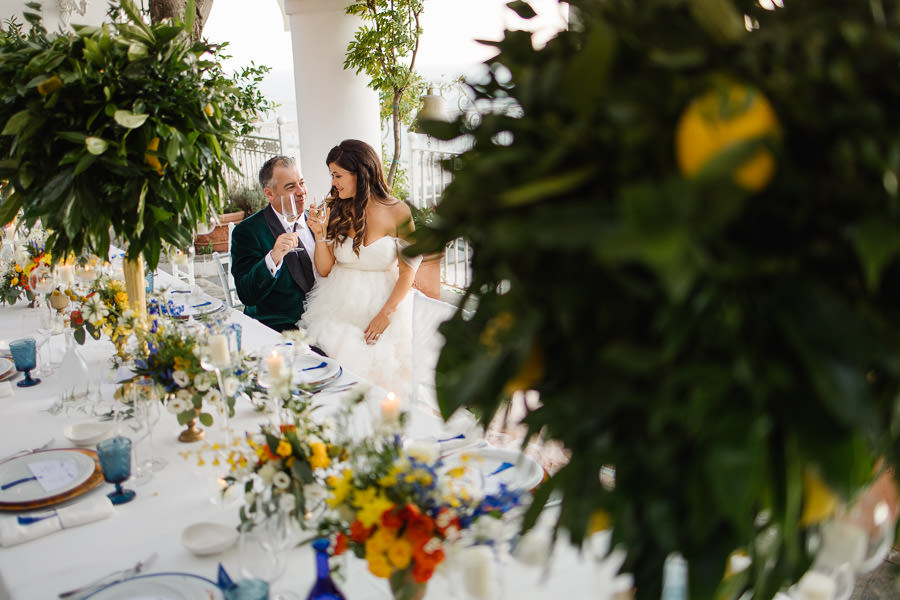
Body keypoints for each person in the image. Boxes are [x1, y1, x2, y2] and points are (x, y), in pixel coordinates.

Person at [300, 139, 421, 398]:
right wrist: (320, 235)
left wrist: (385, 314)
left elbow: (409, 270)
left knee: (384, 375)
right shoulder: (333, 208)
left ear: (361, 173)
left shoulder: (398, 211)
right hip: (338, 303)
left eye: (338, 175)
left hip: (385, 303)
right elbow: (324, 270)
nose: (334, 182)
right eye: (332, 175)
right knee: (336, 365)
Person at [231, 156, 318, 332]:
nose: (301, 191)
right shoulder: (248, 231)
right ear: (269, 193)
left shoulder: (317, 221)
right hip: (278, 331)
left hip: (322, 323)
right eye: (291, 187)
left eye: (302, 183)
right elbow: (246, 294)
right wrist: (273, 257)